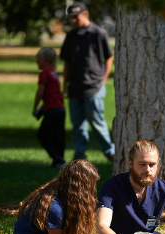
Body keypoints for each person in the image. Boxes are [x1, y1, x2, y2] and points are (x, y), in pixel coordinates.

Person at [8, 160, 122, 234]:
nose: (91, 191)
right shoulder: (54, 207)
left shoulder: (64, 197)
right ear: (79, 187)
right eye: (90, 187)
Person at [59, 2, 115, 161]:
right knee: (77, 124)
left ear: (86, 14)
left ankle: (110, 151)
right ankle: (79, 154)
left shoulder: (98, 33)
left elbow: (109, 57)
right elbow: (67, 62)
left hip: (94, 86)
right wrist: (65, 86)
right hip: (75, 86)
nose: (74, 21)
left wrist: (103, 80)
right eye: (71, 18)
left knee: (97, 121)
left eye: (76, 17)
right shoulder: (71, 36)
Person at [32, 47, 66, 168]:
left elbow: (40, 92)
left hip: (52, 109)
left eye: (39, 60)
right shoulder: (53, 73)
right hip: (60, 108)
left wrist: (35, 108)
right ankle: (59, 161)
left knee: (43, 135)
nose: (37, 62)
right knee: (58, 136)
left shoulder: (44, 73)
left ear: (46, 60)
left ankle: (58, 159)